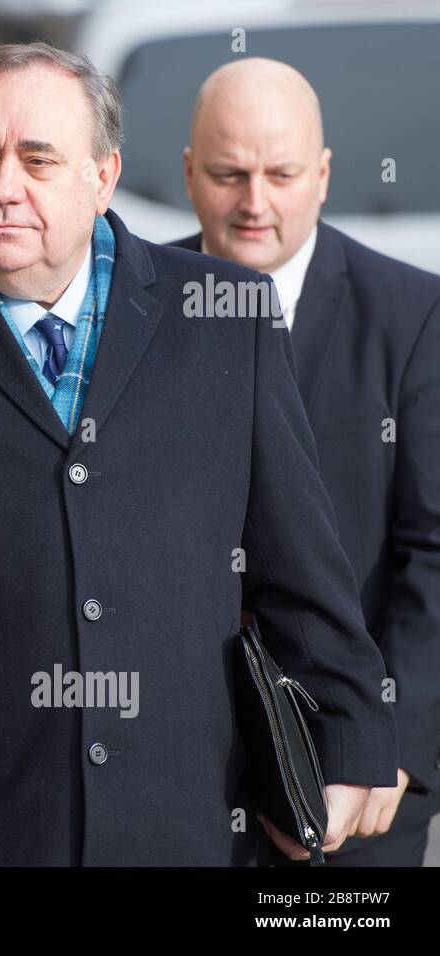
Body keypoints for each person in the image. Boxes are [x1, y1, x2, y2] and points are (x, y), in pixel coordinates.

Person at [0, 42, 397, 866]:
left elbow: (303, 571)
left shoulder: (227, 317)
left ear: (102, 177)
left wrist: (353, 736)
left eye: (38, 159)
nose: (4, 187)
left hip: (189, 828)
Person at [173, 57, 440, 866]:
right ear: (189, 173)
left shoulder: (413, 316)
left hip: (359, 781)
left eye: (281, 174)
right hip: (180, 777)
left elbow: (433, 554)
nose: (255, 203)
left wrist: (394, 747)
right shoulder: (134, 312)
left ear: (322, 176)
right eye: (229, 174)